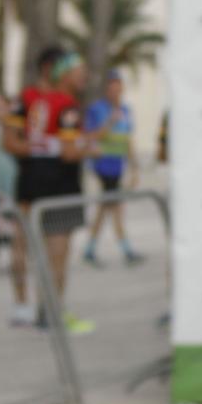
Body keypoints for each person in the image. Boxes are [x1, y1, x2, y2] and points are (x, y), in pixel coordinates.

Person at [3, 48, 93, 332]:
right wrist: (89, 149)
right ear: (57, 71)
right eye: (79, 72)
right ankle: (51, 313)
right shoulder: (67, 104)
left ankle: (23, 308)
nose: (84, 78)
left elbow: (11, 142)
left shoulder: (25, 99)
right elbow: (68, 153)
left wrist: (34, 147)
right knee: (57, 254)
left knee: (21, 246)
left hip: (28, 181)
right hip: (60, 186)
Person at [82, 73, 142, 266]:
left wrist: (134, 168)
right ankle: (126, 249)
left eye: (119, 87)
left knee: (106, 208)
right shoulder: (97, 109)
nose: (116, 92)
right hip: (102, 166)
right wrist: (109, 123)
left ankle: (90, 249)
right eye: (112, 87)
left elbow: (127, 139)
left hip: (118, 166)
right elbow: (90, 136)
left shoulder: (125, 110)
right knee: (115, 207)